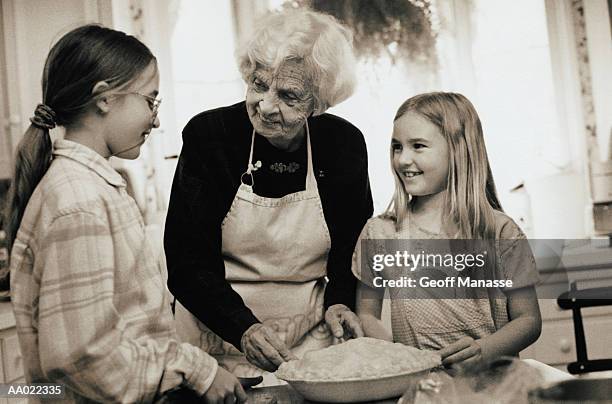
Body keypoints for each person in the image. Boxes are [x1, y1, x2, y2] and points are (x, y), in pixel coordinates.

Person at [4, 25, 246, 403]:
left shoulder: (92, 186)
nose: (156, 119)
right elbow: (84, 356)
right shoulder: (77, 200)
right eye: (150, 101)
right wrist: (195, 370)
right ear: (104, 98)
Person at [164, 9, 373, 382]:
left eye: (289, 95)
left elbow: (350, 250)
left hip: (308, 341)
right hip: (214, 340)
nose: (265, 105)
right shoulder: (210, 137)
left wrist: (340, 300)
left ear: (319, 103)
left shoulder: (343, 144)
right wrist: (242, 327)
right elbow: (186, 263)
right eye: (259, 84)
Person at [352, 92, 542, 372]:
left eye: (418, 146)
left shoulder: (500, 232)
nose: (403, 159)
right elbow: (367, 314)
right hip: (420, 388)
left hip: (494, 389)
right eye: (397, 147)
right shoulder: (380, 233)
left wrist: (484, 350)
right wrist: (402, 359)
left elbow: (528, 320)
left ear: (458, 150)